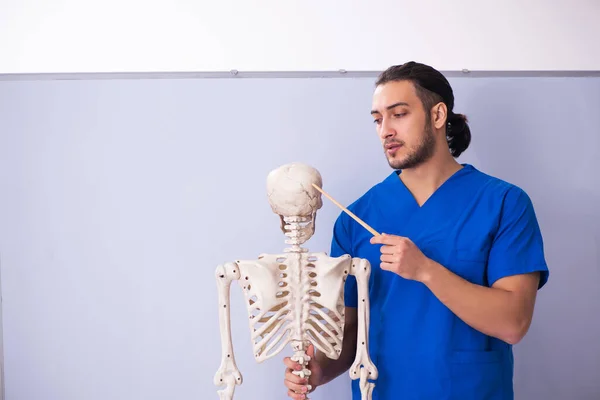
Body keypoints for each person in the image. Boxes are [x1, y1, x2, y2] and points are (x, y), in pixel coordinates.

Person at [282, 61, 549, 400]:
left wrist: (425, 270)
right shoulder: (355, 218)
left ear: (438, 116)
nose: (385, 131)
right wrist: (320, 369)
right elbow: (350, 333)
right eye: (378, 120)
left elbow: (513, 323)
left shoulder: (504, 204)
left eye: (399, 114)